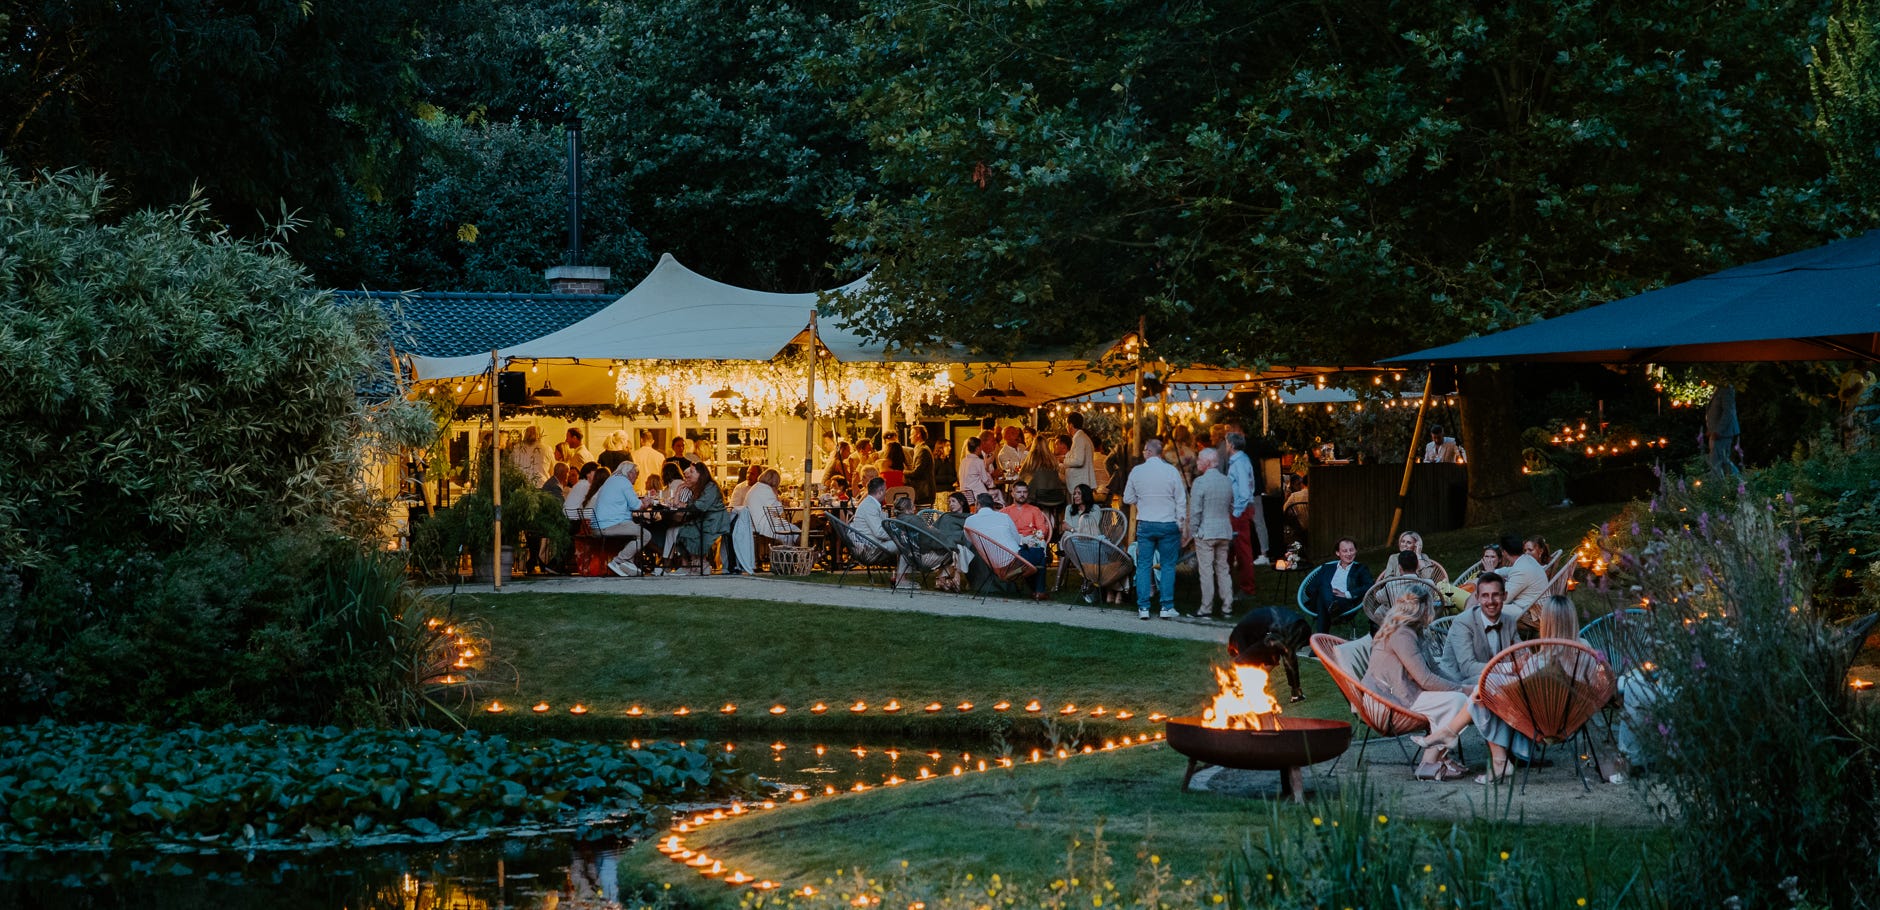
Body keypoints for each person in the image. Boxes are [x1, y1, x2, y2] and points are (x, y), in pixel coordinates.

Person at [1464, 594, 1594, 781]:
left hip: (1539, 725)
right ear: (1573, 619)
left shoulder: (1540, 661)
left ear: (1546, 622)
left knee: (1485, 693)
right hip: (1574, 720)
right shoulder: (1587, 650)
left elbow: (1519, 692)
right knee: (1486, 689)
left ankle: (1499, 761)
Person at [1362, 586, 1474, 781]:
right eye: (1431, 605)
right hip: (1390, 701)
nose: (1433, 609)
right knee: (1458, 701)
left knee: (1462, 696)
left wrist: (1462, 685)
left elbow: (1434, 670)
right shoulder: (1401, 634)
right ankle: (1429, 762)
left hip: (1405, 692)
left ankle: (1439, 758)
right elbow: (1425, 679)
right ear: (1422, 608)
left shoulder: (1413, 630)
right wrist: (1462, 690)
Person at [1123, 437, 1187, 620]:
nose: (1143, 453)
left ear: (1149, 452)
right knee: (1168, 565)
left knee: (1143, 565)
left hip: (1146, 523)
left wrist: (1142, 500)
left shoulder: (1137, 471)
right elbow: (1180, 499)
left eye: (1145, 450)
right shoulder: (1171, 471)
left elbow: (1127, 498)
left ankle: (1143, 607)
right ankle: (1166, 606)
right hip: (1168, 523)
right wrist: (1181, 522)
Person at [1438, 572, 1520, 683]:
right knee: (1501, 681)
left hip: (1496, 678)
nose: (1490, 601)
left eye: (1496, 595)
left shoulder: (1508, 621)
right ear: (1477, 598)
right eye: (1485, 596)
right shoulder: (1462, 623)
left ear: (1504, 596)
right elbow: (1468, 668)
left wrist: (1526, 660)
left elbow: (1520, 653)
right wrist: (1510, 667)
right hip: (1459, 683)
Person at [1187, 447, 1235, 618]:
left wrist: (1193, 531)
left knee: (1206, 571)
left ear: (1207, 463)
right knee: (1223, 568)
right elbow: (1232, 506)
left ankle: (1206, 608)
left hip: (1205, 532)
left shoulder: (1200, 482)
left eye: (1199, 459)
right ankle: (1227, 606)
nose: (1197, 462)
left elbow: (1195, 511)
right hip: (1224, 530)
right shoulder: (1227, 481)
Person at [1223, 431, 1266, 597]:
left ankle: (1247, 587)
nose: (1225, 446)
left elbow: (1244, 491)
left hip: (1239, 510)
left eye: (1226, 443)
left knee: (1242, 549)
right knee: (1236, 547)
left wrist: (1236, 511)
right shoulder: (1242, 460)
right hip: (1240, 509)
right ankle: (1233, 583)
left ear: (1232, 445)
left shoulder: (1239, 463)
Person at [1303, 538, 1373, 634]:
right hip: (1324, 602)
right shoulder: (1326, 568)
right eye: (1345, 551)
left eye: (1351, 550)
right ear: (1337, 553)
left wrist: (1346, 594)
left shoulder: (1360, 569)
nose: (1349, 554)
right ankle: (1331, 606)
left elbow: (1370, 586)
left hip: (1344, 603)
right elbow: (1310, 588)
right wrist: (1328, 591)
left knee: (1322, 600)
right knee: (1323, 590)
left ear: (1356, 550)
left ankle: (1322, 637)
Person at [671, 460, 729, 574]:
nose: (689, 475)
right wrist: (680, 490)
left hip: (715, 521)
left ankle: (700, 563)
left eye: (692, 472)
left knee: (689, 531)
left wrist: (686, 505)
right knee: (684, 530)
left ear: (700, 474)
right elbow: (688, 505)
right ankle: (694, 563)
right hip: (704, 519)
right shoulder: (699, 487)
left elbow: (700, 506)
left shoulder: (711, 487)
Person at [593, 463, 648, 576]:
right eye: (636, 474)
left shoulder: (611, 480)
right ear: (630, 473)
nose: (637, 478)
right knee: (645, 535)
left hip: (599, 525)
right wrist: (647, 503)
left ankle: (627, 564)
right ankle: (618, 561)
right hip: (609, 525)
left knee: (633, 530)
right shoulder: (624, 482)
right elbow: (637, 506)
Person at [963, 491, 1024, 592]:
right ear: (993, 505)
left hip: (987, 558)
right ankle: (1037, 590)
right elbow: (1017, 540)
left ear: (978, 505)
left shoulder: (970, 520)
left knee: (972, 550)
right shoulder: (1004, 517)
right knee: (1036, 552)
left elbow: (969, 540)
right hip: (1012, 561)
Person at [1001, 482, 1052, 599]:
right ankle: (1039, 590)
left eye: (1024, 492)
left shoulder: (1034, 510)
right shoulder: (1005, 512)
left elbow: (1042, 529)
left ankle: (1025, 571)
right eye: (1019, 492)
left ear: (1028, 493)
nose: (1022, 494)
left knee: (1039, 545)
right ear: (1012, 494)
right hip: (1013, 540)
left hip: (1031, 539)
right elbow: (1001, 531)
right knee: (1039, 555)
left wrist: (1033, 539)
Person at [746, 469, 799, 542]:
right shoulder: (766, 489)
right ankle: (803, 547)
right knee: (795, 531)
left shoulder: (757, 487)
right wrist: (776, 494)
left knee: (792, 529)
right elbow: (778, 510)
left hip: (755, 526)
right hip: (766, 527)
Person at [1021, 431, 1067, 511]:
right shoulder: (1052, 459)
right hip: (1056, 497)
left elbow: (1021, 477)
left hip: (1037, 497)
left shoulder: (1031, 459)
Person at [1705, 383, 1740, 475]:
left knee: (1717, 462)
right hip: (1716, 431)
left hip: (1723, 433)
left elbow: (1728, 412)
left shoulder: (1726, 389)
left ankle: (1735, 480)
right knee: (1722, 460)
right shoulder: (1718, 388)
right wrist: (1711, 428)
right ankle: (1738, 480)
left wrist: (1718, 430)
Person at [1063, 412, 1097, 491]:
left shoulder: (1079, 438)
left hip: (1079, 484)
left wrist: (1063, 460)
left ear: (1070, 425)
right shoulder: (1083, 437)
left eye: (1066, 424)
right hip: (1081, 483)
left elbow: (1079, 461)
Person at [959, 436, 996, 503]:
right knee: (998, 494)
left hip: (965, 494)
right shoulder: (979, 461)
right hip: (977, 494)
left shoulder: (963, 461)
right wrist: (987, 465)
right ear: (978, 448)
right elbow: (986, 480)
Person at [907, 427, 935, 504]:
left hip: (924, 493)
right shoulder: (919, 449)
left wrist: (903, 472)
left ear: (918, 435)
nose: (910, 437)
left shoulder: (922, 450)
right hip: (923, 492)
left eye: (911, 434)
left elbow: (917, 472)